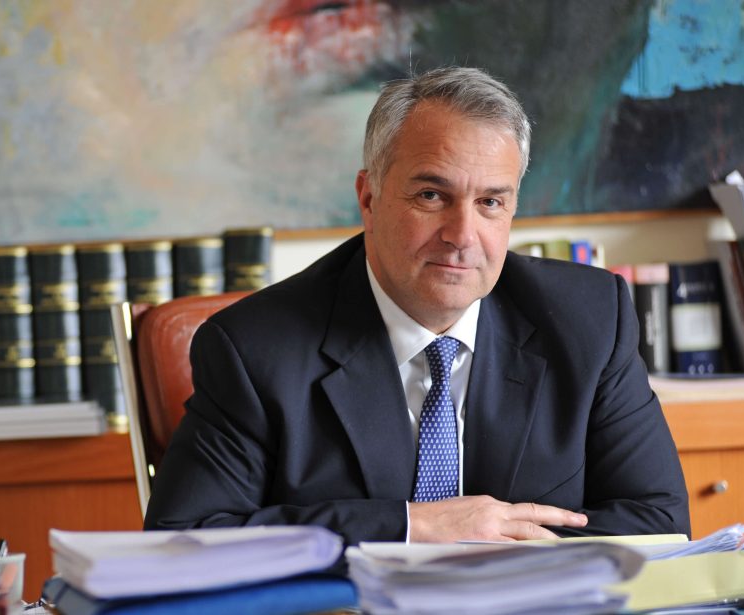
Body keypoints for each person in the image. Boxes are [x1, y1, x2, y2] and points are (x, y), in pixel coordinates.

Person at [143, 66, 690, 544]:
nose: (462, 235)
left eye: (490, 202)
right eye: (432, 196)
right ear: (369, 198)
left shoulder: (589, 319)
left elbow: (660, 522)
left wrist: (494, 554)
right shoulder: (256, 349)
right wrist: (411, 527)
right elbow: (185, 538)